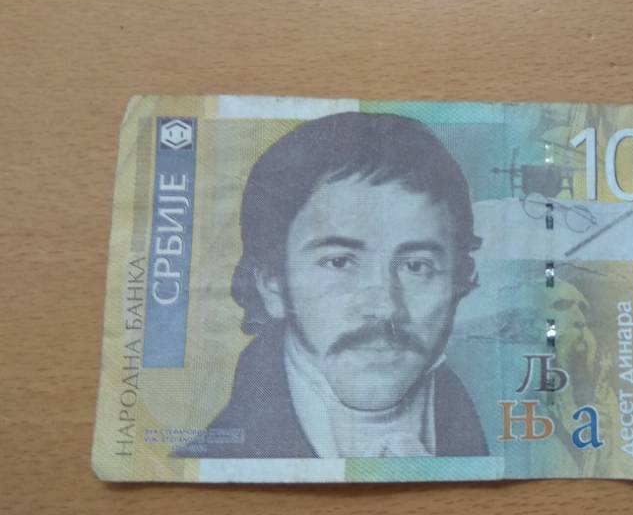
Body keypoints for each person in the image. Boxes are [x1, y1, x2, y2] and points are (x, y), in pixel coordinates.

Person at [178, 112, 488, 458]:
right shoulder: (214, 460)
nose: (385, 308)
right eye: (339, 262)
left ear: (458, 280)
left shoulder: (472, 434)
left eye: (416, 266)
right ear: (272, 284)